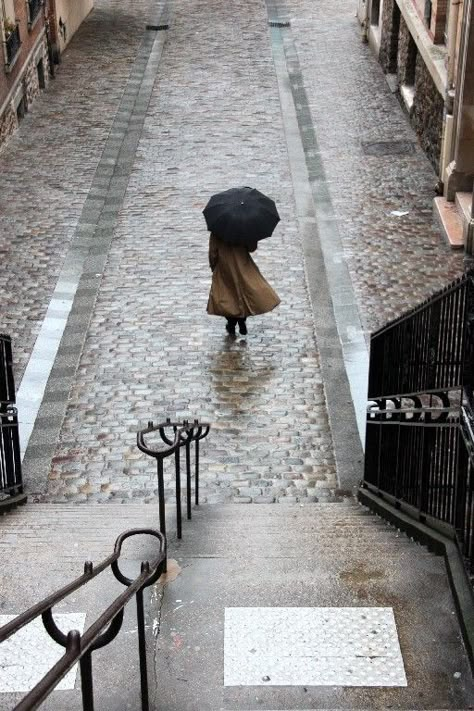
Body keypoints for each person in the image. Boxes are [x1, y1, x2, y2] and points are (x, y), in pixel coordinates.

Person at [207, 232, 280, 335]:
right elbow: (251, 248)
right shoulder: (244, 228)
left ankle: (231, 323)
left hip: (225, 267)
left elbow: (213, 251)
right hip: (243, 266)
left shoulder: (217, 231)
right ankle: (241, 320)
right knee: (243, 292)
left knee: (228, 296)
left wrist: (213, 265)